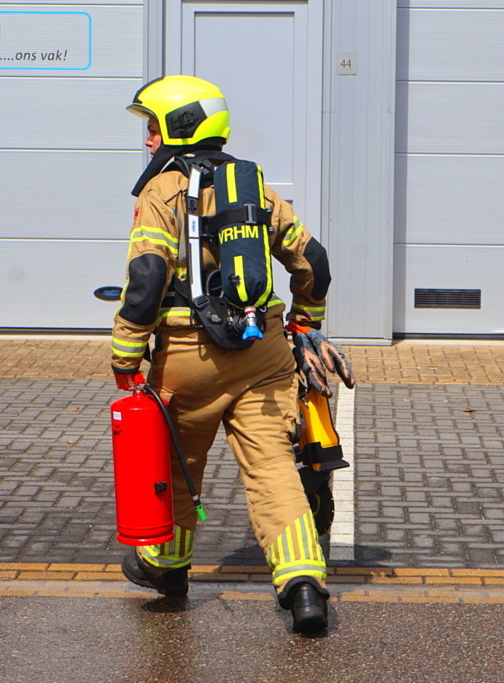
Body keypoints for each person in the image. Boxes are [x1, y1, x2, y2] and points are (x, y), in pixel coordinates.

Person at [110, 75, 352, 633]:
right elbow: (314, 261)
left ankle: (168, 571)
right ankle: (303, 587)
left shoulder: (160, 193)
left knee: (175, 470)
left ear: (179, 126)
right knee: (272, 471)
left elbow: (146, 281)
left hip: (187, 357)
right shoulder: (255, 186)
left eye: (152, 127)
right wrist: (305, 321)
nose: (147, 140)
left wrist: (125, 355)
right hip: (263, 353)